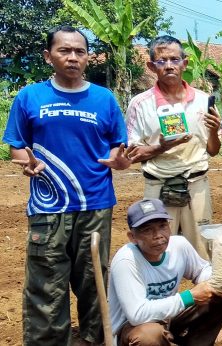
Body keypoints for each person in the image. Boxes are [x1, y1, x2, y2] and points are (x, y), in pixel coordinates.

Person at [3, 25, 132, 345]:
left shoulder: (104, 99)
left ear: (88, 57)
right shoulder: (29, 96)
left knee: (94, 281)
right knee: (47, 283)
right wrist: (27, 163)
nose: (73, 57)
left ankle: (95, 339)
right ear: (49, 56)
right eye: (65, 51)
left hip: (96, 204)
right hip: (48, 208)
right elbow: (16, 145)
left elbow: (119, 145)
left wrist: (119, 160)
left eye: (80, 51)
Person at [125, 35, 221, 260]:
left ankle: (202, 296)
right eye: (161, 61)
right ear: (151, 66)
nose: (169, 65)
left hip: (196, 184)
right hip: (158, 187)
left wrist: (215, 130)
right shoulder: (140, 104)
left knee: (203, 252)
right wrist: (161, 147)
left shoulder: (203, 100)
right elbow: (132, 154)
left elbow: (213, 150)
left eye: (174, 60)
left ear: (184, 64)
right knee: (157, 251)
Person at [108, 198, 222, 345]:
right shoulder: (126, 261)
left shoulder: (179, 245)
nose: (158, 235)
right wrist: (188, 297)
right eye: (147, 230)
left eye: (162, 226)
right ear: (132, 237)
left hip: (168, 318)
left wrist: (221, 280)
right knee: (148, 336)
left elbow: (201, 271)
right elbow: (137, 315)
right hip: (132, 329)